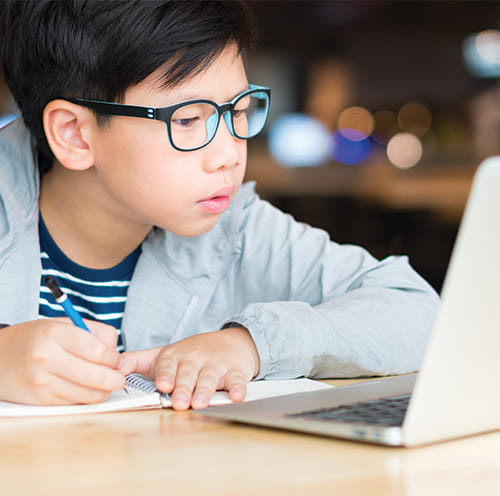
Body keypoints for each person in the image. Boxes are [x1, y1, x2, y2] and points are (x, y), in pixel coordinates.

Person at [0, 0, 439, 411]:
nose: (230, 154)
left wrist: (252, 345)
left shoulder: (235, 228)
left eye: (239, 110)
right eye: (188, 120)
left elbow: (418, 312)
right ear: (74, 134)